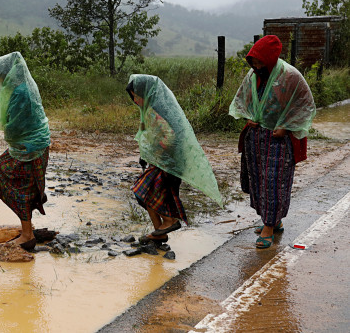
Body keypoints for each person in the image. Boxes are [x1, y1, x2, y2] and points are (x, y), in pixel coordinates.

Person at [230, 35, 316, 249]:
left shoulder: (290, 76)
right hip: (257, 137)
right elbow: (244, 98)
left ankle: (268, 227)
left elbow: (305, 105)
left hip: (278, 139)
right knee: (259, 181)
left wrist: (286, 126)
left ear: (269, 59)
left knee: (273, 182)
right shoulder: (253, 75)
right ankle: (273, 221)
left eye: (260, 61)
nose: (256, 66)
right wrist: (249, 115)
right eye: (253, 62)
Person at [127, 74, 222, 244]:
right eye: (133, 97)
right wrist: (144, 154)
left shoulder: (155, 112)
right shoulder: (146, 111)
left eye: (136, 96)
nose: (135, 100)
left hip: (166, 162)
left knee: (143, 191)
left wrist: (156, 152)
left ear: (146, 94)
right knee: (145, 194)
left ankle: (170, 221)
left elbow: (169, 137)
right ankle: (159, 232)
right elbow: (145, 135)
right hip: (159, 161)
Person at [0, 52, 51, 251]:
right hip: (36, 144)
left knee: (4, 171)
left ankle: (27, 234)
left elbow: (15, 126)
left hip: (31, 147)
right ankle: (28, 227)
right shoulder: (22, 86)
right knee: (23, 185)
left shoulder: (20, 92)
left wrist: (9, 135)